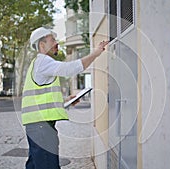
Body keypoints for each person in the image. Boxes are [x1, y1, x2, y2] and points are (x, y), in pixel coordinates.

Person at [21, 27, 108, 169]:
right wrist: (96, 53)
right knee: (47, 165)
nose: (56, 43)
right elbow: (70, 68)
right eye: (52, 40)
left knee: (35, 165)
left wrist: (66, 101)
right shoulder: (43, 61)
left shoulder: (37, 64)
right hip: (42, 127)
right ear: (42, 45)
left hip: (36, 126)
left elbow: (40, 97)